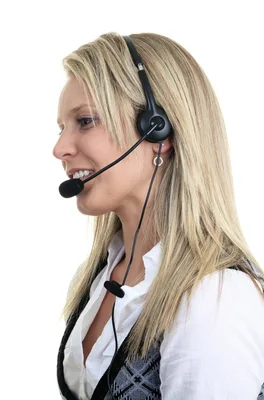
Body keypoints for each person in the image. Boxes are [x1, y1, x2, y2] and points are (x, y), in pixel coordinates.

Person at [53, 32, 264, 399]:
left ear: (157, 129)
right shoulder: (101, 273)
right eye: (61, 128)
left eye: (85, 121)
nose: (60, 148)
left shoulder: (214, 300)